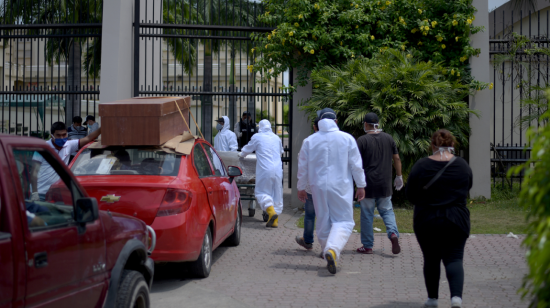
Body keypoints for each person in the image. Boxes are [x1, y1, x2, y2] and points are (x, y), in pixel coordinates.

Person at [406, 129, 472, 308]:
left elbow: (410, 194)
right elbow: (468, 186)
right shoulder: (462, 165)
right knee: (454, 258)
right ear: (452, 145)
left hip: (427, 219)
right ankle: (456, 298)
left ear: (432, 145)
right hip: (456, 219)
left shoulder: (421, 165)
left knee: (431, 258)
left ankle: (433, 299)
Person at [297, 108, 366, 275]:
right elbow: (356, 165)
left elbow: (303, 167)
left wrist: (301, 187)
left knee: (323, 219)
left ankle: (326, 249)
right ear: (335, 121)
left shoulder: (309, 141)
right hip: (341, 186)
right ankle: (333, 250)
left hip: (317, 186)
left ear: (319, 122)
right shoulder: (347, 138)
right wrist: (361, 185)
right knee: (343, 221)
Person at [355, 113, 403, 255]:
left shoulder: (362, 140)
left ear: (366, 124)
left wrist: (357, 183)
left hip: (367, 183)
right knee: (387, 211)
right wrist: (399, 176)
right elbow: (397, 158)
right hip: (385, 182)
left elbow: (356, 163)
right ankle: (393, 234)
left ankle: (368, 246)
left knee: (367, 214)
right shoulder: (388, 138)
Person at [30, 122, 102, 201]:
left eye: (64, 135)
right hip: (40, 193)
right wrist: (34, 193)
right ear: (52, 136)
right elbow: (34, 172)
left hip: (56, 194)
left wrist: (102, 129)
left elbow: (88, 138)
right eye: (58, 135)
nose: (61, 138)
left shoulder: (69, 145)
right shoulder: (43, 147)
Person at [239, 119, 283, 228]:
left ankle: (271, 212)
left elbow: (246, 151)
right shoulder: (276, 138)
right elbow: (281, 151)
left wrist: (241, 155)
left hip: (265, 170)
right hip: (278, 169)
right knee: (276, 193)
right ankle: (274, 219)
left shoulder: (257, 137)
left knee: (261, 192)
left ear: (260, 128)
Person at [295, 117, 320, 250]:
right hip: (331, 187)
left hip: (311, 185)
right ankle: (330, 245)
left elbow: (302, 162)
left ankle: (308, 240)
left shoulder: (309, 141)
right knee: (327, 216)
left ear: (315, 126)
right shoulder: (341, 139)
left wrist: (301, 187)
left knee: (310, 215)